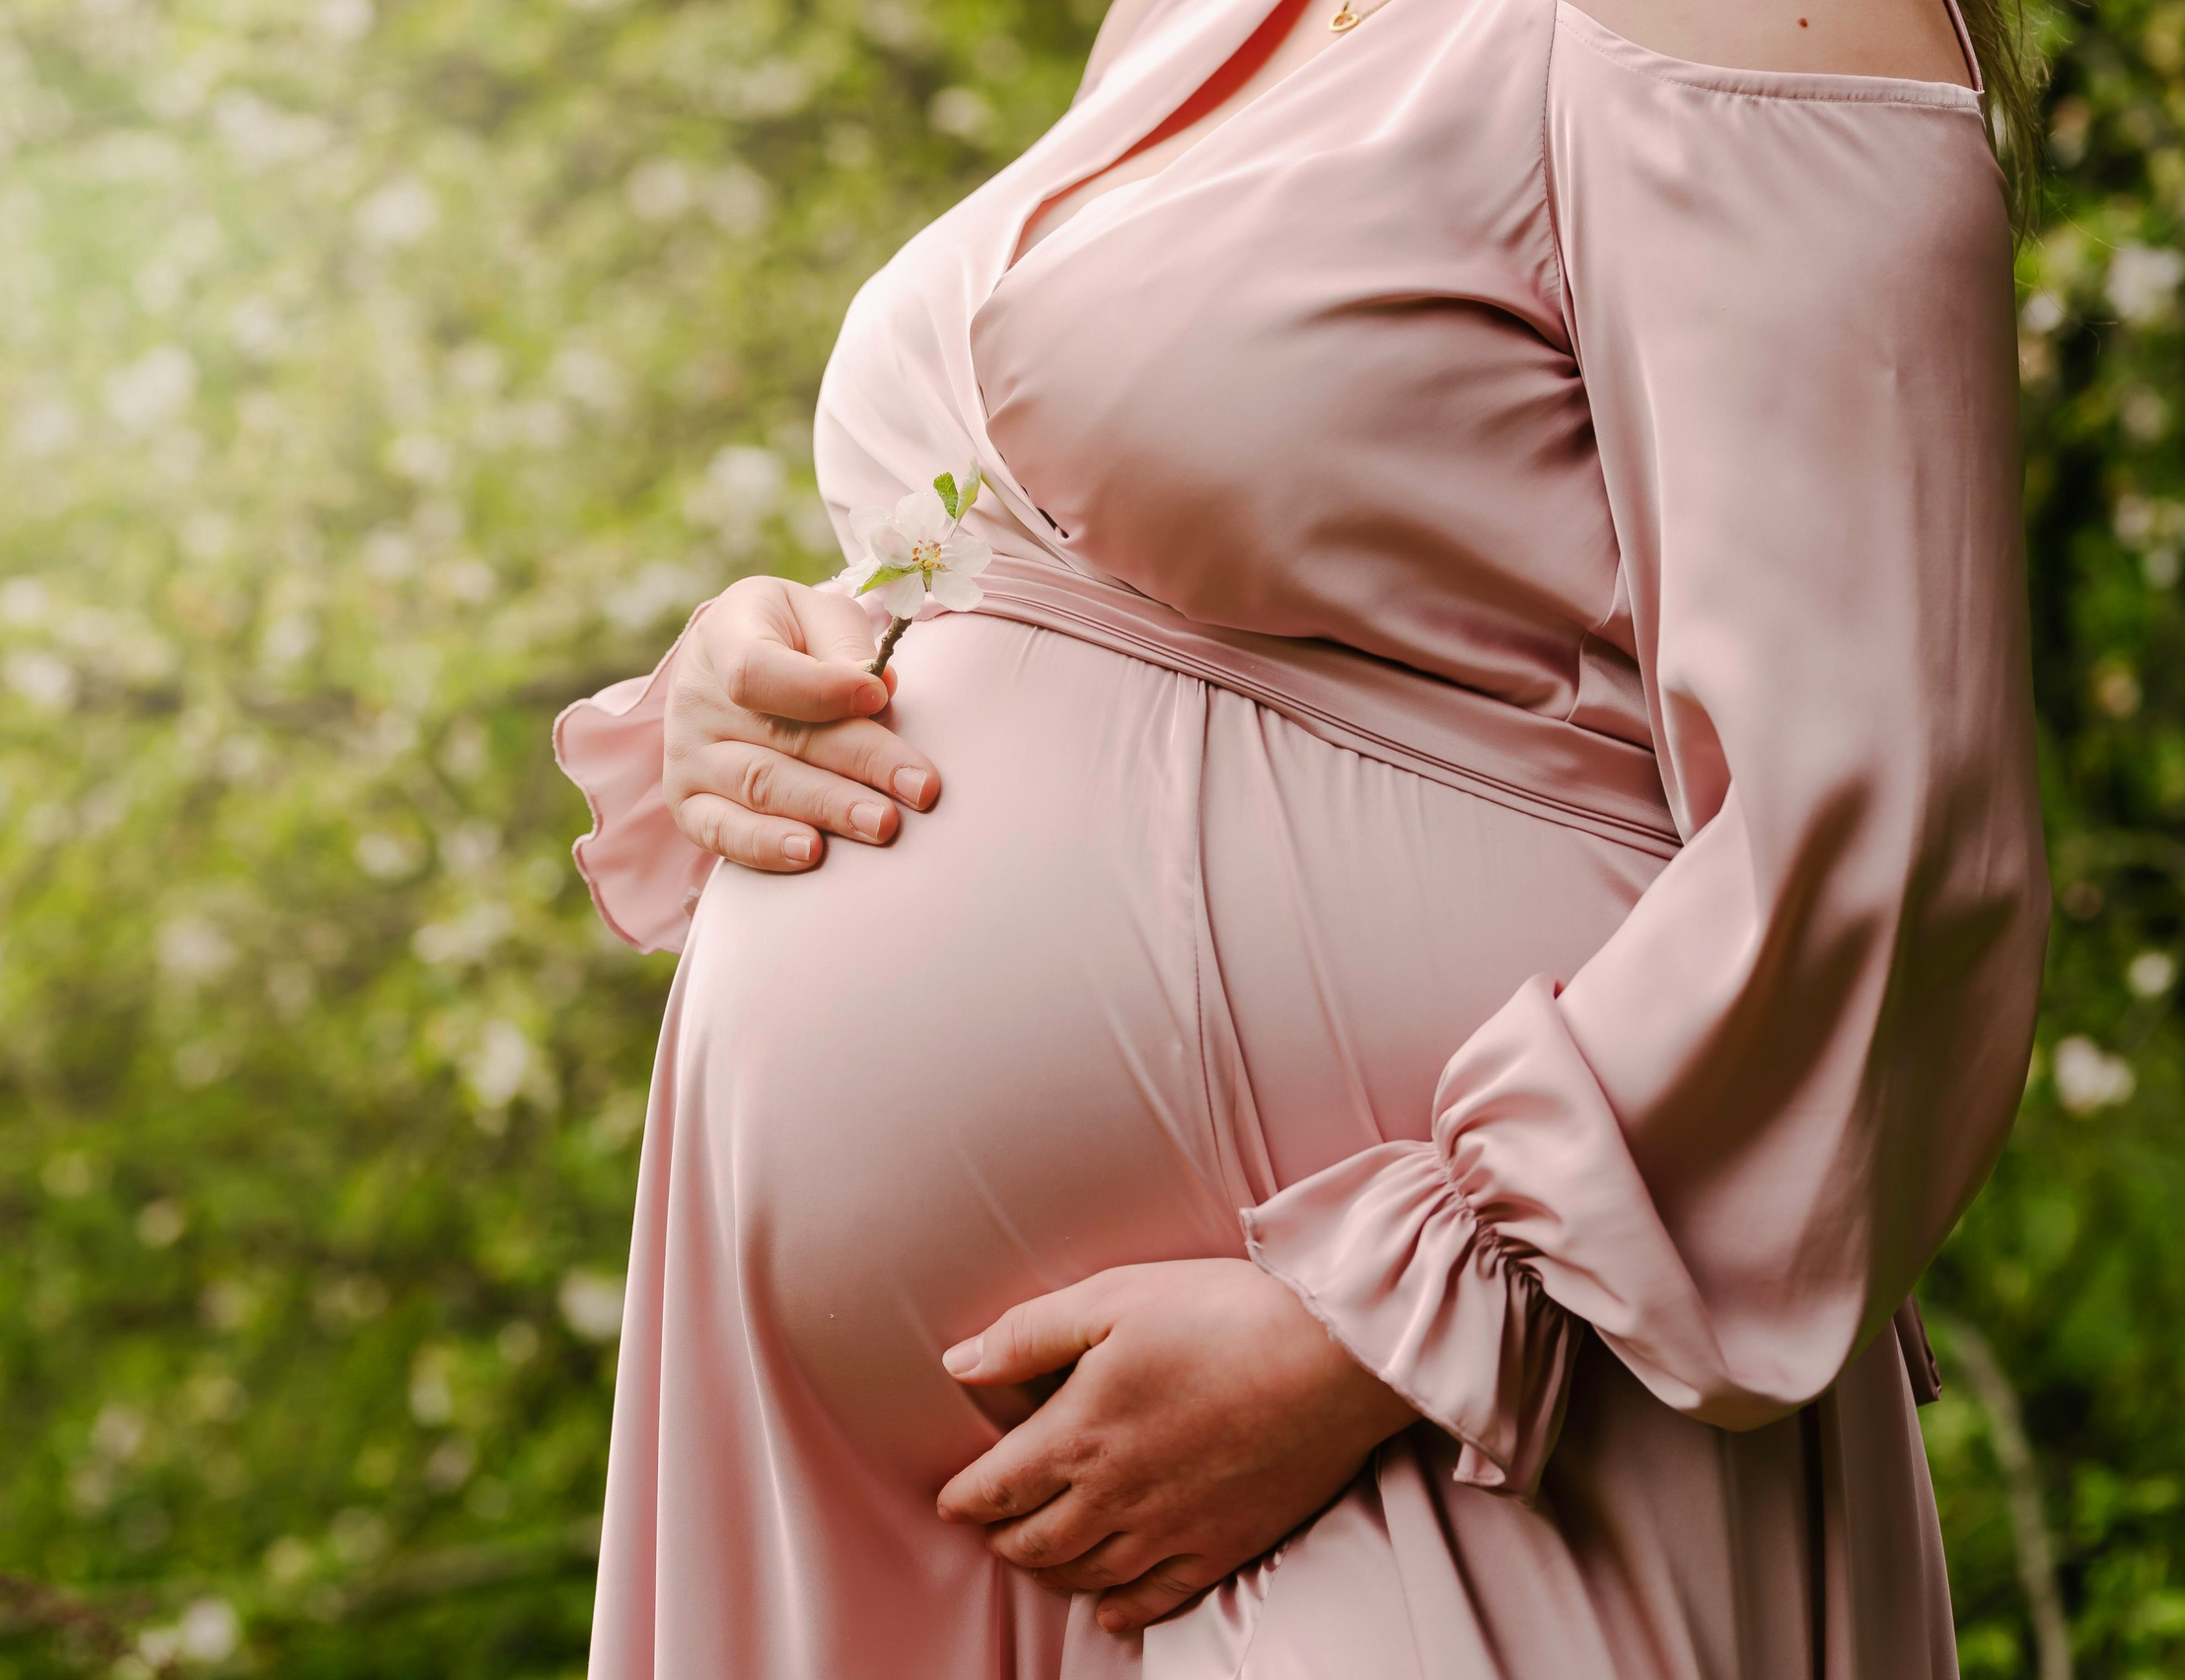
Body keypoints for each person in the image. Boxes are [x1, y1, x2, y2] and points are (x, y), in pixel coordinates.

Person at [553, 0, 2050, 1666]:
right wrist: (792, 655)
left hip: (1443, 1429)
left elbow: (1883, 827)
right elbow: (1186, 560)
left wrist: (1381, 1325)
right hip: (909, 1516)